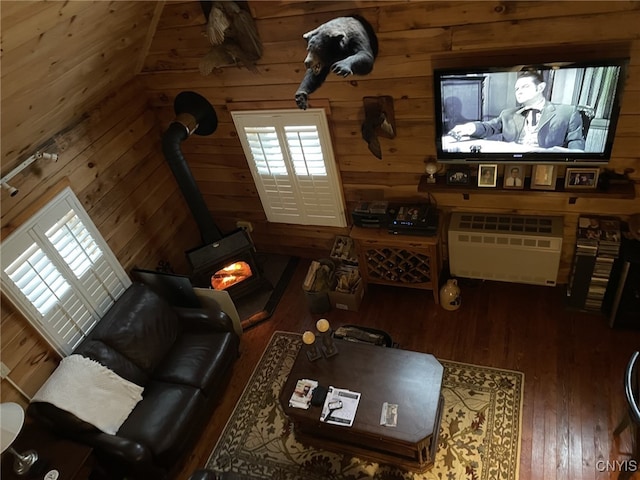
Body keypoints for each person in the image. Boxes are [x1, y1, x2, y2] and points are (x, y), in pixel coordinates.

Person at [449, 71, 585, 151]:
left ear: (540, 87)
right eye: (517, 89)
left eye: (524, 87)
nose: (519, 92)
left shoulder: (567, 112)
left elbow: (576, 148)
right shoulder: (508, 114)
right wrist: (469, 128)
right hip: (512, 165)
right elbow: (489, 127)